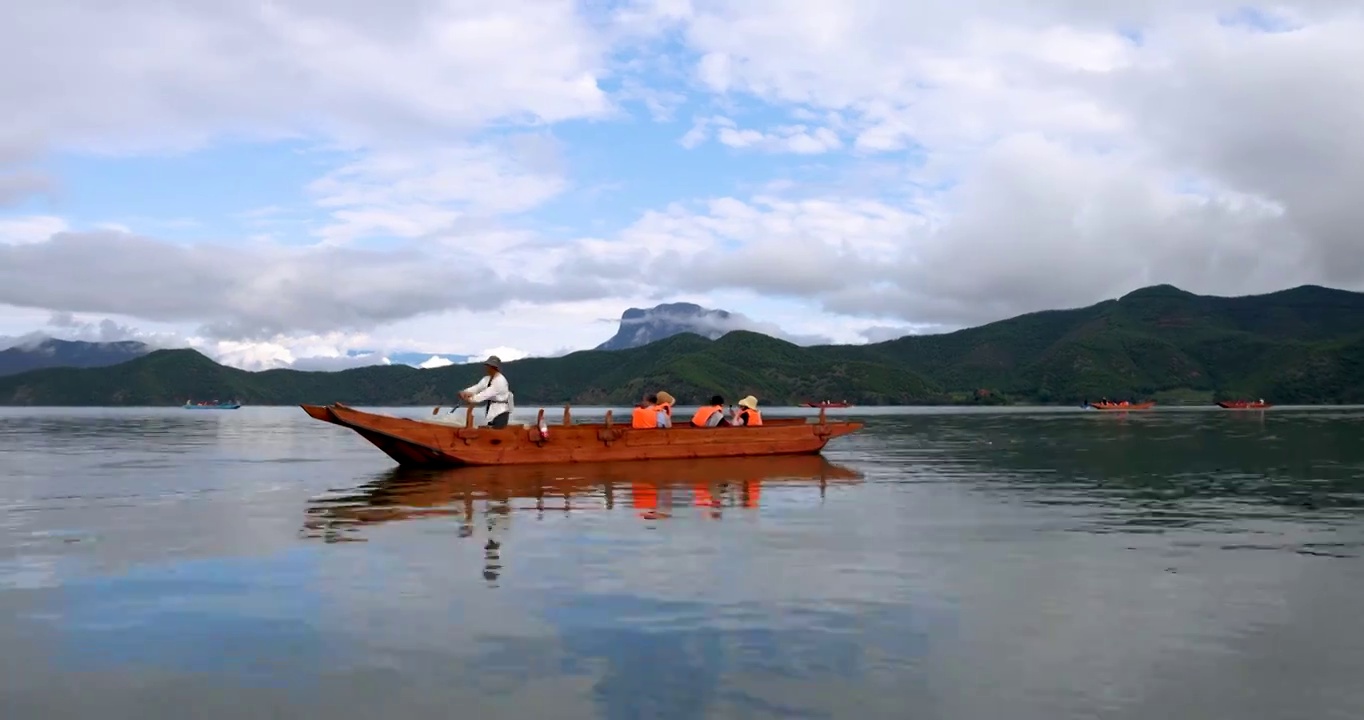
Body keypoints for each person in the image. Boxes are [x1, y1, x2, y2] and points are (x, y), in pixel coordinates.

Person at [459, 355, 514, 428]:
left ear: (493, 367)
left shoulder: (500, 381)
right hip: (491, 410)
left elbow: (486, 394)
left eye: (488, 366)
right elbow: (478, 387)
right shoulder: (487, 378)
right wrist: (465, 392)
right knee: (489, 429)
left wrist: (471, 399)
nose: (486, 368)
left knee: (496, 434)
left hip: (501, 411)